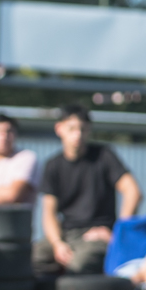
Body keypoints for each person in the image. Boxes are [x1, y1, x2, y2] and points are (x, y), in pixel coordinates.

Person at [33, 104, 141, 276]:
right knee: (33, 259)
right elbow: (49, 213)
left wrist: (118, 234)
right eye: (72, 128)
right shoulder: (53, 165)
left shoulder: (104, 156)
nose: (78, 134)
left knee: (78, 266)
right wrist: (57, 243)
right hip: (67, 234)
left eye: (83, 129)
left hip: (98, 235)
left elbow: (133, 191)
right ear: (59, 129)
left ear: (89, 130)